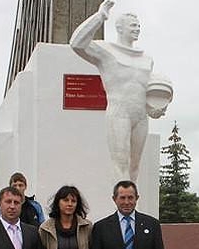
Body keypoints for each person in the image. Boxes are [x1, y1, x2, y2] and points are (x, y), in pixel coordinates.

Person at [70, 0, 172, 182]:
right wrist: (100, 16)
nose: (137, 29)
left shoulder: (146, 59)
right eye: (133, 25)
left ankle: (132, 200)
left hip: (141, 116)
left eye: (138, 26)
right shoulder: (107, 51)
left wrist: (156, 108)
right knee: (121, 164)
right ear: (120, 28)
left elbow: (147, 92)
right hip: (119, 113)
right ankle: (122, 199)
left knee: (135, 166)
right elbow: (76, 43)